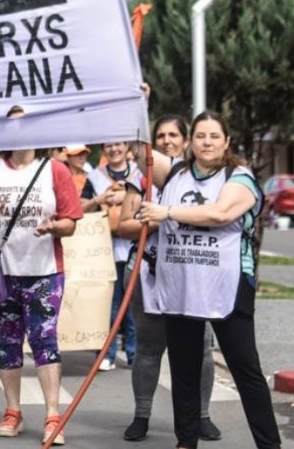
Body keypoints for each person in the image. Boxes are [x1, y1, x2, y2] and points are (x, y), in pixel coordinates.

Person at [138, 111, 280, 449]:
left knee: (245, 369)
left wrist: (168, 212)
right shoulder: (175, 174)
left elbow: (219, 213)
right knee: (184, 371)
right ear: (190, 142)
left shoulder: (239, 177)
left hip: (227, 287)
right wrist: (140, 101)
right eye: (200, 135)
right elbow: (139, 146)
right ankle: (186, 442)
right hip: (181, 285)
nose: (207, 142)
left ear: (227, 141)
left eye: (215, 136)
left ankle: (269, 445)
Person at [0, 148, 81, 444]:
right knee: (9, 342)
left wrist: (54, 226)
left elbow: (70, 222)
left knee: (45, 340)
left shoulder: (55, 170)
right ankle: (12, 410)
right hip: (3, 272)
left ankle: (53, 415)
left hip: (44, 271)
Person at [118, 116, 222, 442]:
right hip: (148, 272)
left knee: (201, 349)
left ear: (185, 139)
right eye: (160, 135)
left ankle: (202, 416)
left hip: (192, 273)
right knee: (149, 347)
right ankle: (142, 415)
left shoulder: (204, 179)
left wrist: (173, 215)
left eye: (173, 135)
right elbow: (123, 225)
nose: (166, 141)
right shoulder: (142, 178)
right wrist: (158, 219)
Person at [83, 141, 136, 371]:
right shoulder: (95, 176)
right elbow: (79, 206)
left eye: (119, 144)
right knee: (109, 306)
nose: (114, 149)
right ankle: (106, 353)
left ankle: (136, 354)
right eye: (109, 145)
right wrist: (99, 200)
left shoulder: (139, 172)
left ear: (127, 147)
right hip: (104, 250)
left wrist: (126, 196)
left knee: (134, 307)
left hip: (135, 247)